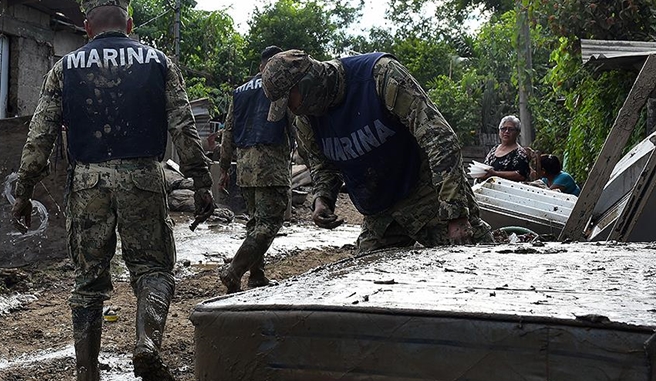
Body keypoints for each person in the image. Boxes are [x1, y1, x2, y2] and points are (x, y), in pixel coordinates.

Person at [11, 0, 214, 381]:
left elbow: (40, 136)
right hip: (143, 177)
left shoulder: (65, 68)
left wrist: (24, 191)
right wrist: (201, 181)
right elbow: (184, 126)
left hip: (88, 185)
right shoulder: (159, 62)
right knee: (153, 269)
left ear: (87, 28)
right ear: (130, 24)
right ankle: (146, 344)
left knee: (88, 284)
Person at [261, 50, 493, 253]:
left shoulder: (379, 76)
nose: (291, 109)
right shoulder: (306, 120)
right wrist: (323, 198)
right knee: (367, 281)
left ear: (307, 83)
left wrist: (455, 213)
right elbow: (322, 164)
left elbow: (439, 139)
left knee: (475, 267)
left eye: (289, 100)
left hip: (428, 195)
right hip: (380, 212)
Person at [218, 45, 294, 293]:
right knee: (268, 224)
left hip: (245, 166)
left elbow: (228, 131)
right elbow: (296, 127)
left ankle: (257, 275)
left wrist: (223, 167)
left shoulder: (240, 92)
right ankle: (234, 271)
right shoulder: (281, 88)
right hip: (270, 165)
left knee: (254, 223)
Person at [480, 115, 532, 182]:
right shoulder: (494, 149)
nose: (506, 131)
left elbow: (521, 175)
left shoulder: (520, 153)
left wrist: (495, 174)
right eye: (503, 129)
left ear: (517, 132)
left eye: (511, 129)